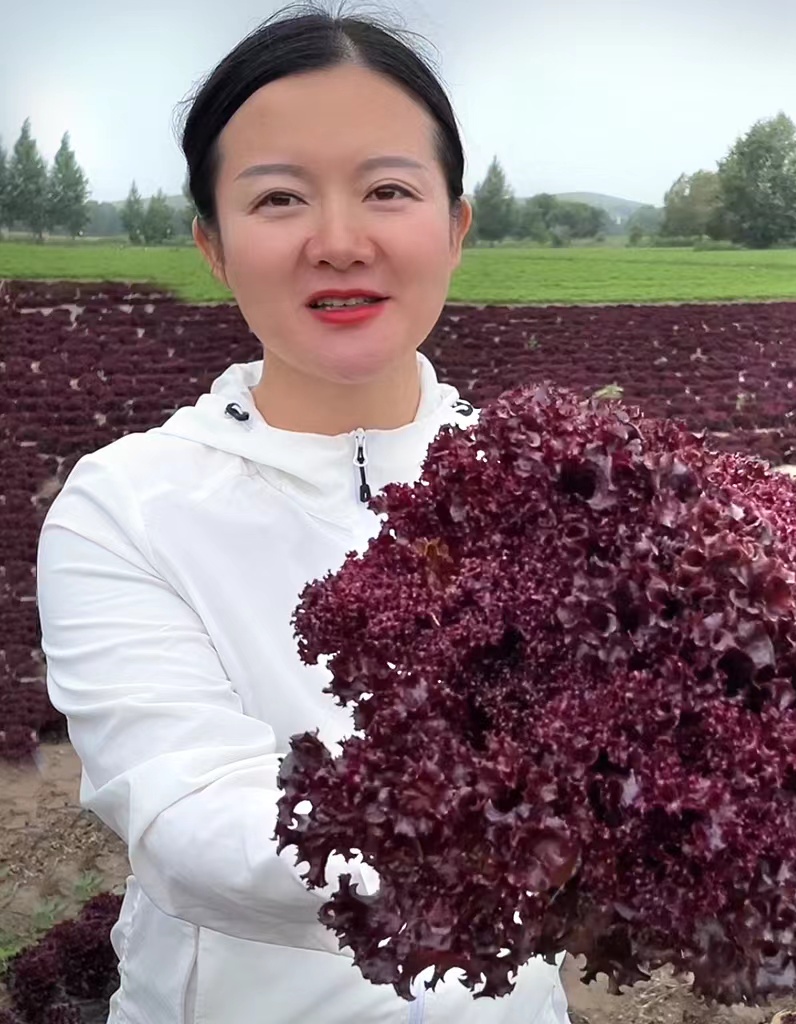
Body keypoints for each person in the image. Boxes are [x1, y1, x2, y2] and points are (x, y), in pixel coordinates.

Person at [35, 4, 571, 1022]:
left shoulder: (547, 480)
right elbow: (194, 823)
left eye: (387, 189)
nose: (338, 240)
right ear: (213, 245)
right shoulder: (127, 504)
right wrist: (533, 834)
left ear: (455, 226)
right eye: (279, 197)